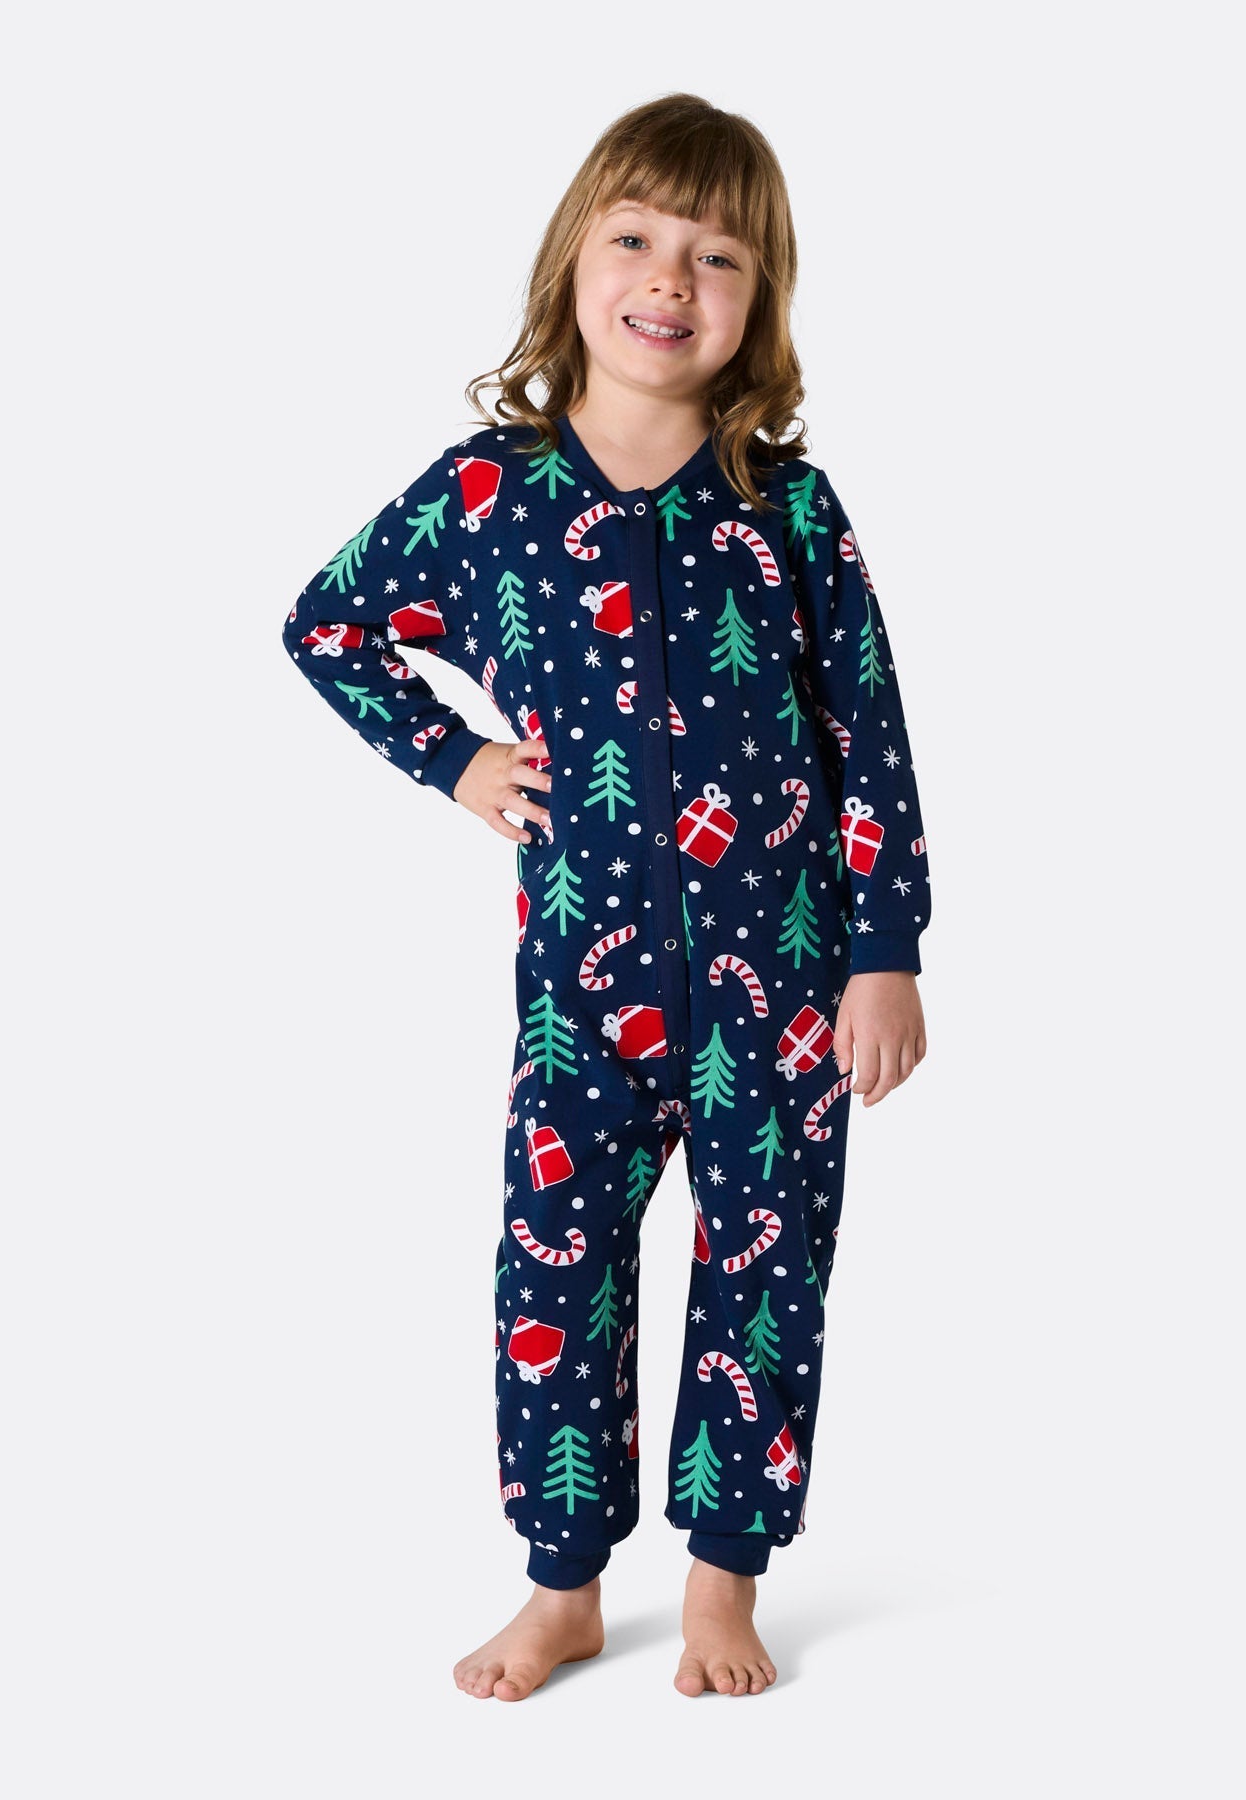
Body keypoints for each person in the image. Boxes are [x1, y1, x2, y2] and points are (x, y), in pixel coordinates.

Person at [279, 93, 930, 1700]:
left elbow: (868, 733)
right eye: (636, 237)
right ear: (574, 258)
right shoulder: (488, 495)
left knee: (767, 1275)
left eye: (718, 256)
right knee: (555, 1269)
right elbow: (328, 625)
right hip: (586, 984)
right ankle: (562, 1584)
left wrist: (885, 951)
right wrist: (456, 760)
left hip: (785, 983)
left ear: (759, 300)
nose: (670, 278)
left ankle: (724, 1585)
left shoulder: (790, 509)